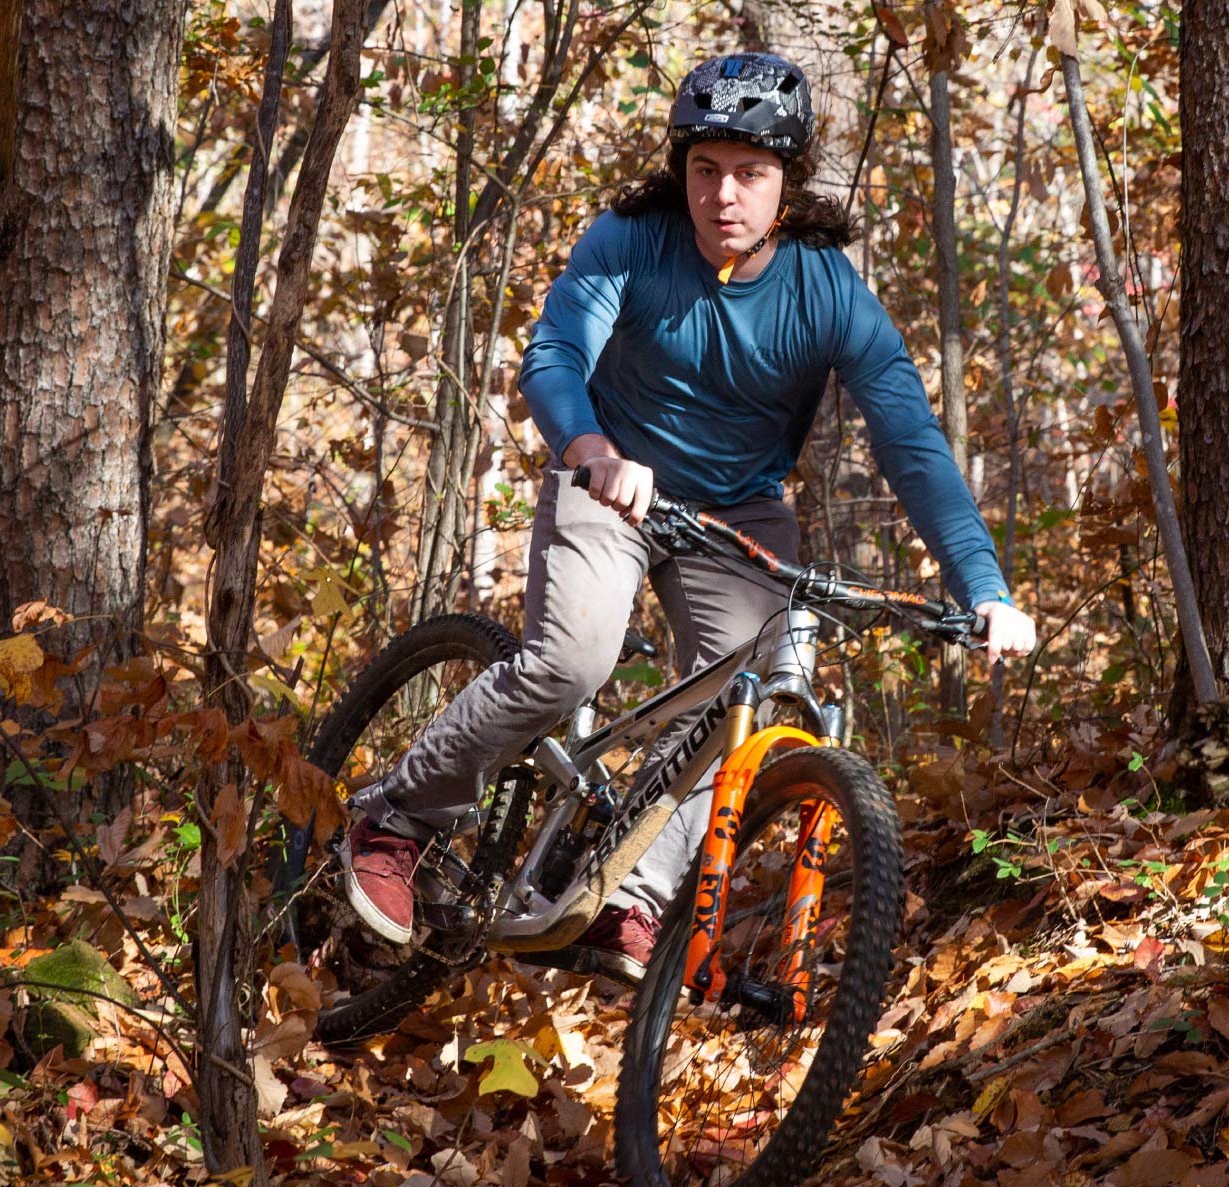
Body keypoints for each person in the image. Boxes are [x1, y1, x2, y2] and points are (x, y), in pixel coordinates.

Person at [341, 51, 1037, 984]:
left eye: (750, 173)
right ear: (682, 170)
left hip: (737, 514)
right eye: (705, 169)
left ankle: (626, 895)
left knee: (759, 691)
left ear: (788, 183)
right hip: (611, 485)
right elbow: (555, 355)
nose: (724, 195)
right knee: (573, 659)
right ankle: (396, 816)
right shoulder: (632, 240)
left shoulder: (830, 293)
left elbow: (911, 444)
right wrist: (592, 449)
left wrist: (984, 589)